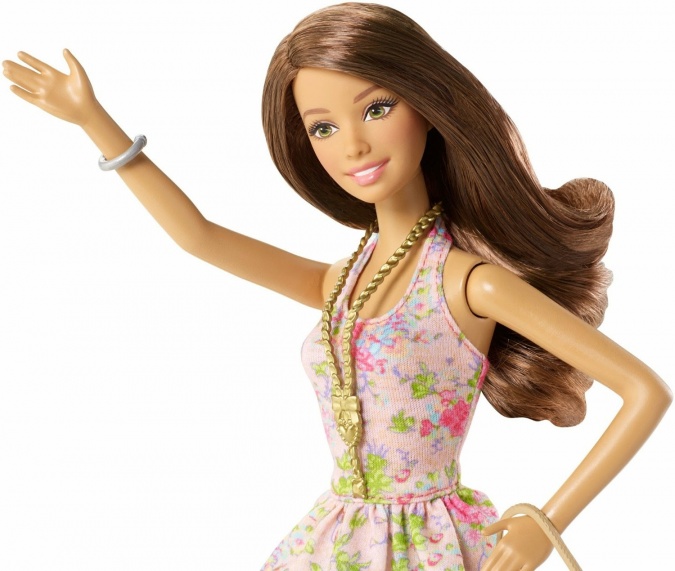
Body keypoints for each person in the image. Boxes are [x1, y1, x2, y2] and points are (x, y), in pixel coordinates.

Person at [2, 3, 670, 570]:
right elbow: (199, 237)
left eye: (376, 107)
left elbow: (644, 390)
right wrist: (94, 121)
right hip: (338, 534)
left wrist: (545, 524)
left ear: (428, 106)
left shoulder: (470, 283)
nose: (352, 145)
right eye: (323, 126)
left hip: (428, 543)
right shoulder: (343, 282)